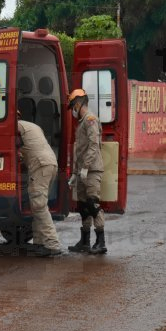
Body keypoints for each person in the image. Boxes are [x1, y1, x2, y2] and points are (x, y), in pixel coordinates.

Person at [66, 88, 108, 255]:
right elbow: (80, 151)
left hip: (92, 170)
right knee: (83, 205)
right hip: (83, 171)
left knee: (93, 204)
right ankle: (85, 241)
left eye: (73, 106)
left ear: (78, 103)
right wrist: (75, 173)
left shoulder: (90, 120)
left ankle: (101, 242)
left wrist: (85, 168)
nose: (73, 110)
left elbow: (93, 146)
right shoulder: (82, 122)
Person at [17, 118, 63, 257]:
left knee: (38, 205)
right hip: (51, 163)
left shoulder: (16, 127)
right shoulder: (33, 126)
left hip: (40, 165)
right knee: (38, 204)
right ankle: (39, 243)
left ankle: (52, 244)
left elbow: (15, 148)